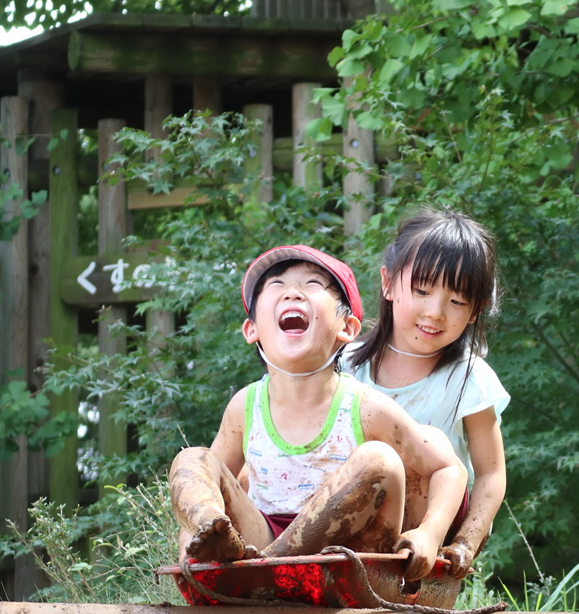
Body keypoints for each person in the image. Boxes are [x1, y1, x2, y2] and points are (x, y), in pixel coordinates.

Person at [168, 244, 466, 582]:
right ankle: (208, 566)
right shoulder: (244, 406)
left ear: (348, 328)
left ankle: (269, 572)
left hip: (347, 560)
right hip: (262, 539)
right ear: (251, 329)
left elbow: (449, 468)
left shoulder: (364, 406)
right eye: (276, 286)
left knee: (380, 460)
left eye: (312, 285)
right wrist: (191, 547)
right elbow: (209, 482)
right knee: (193, 460)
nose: (293, 292)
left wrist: (430, 533)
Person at [344, 208, 509, 578]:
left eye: (456, 301)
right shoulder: (345, 366)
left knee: (429, 448)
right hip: (346, 528)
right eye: (421, 290)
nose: (435, 312)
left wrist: (464, 544)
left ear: (475, 310)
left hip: (423, 543)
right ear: (388, 284)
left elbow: (491, 474)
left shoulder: (469, 378)